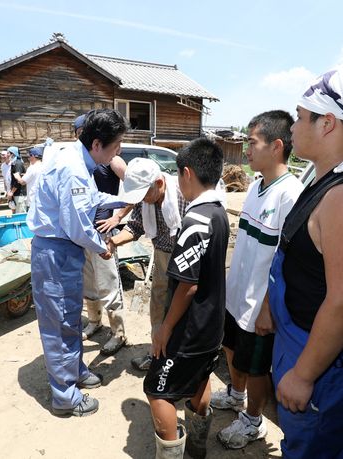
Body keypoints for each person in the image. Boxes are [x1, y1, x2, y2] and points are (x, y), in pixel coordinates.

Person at [27, 108, 129, 417]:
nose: (118, 153)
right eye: (116, 147)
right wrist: (103, 247)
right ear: (97, 144)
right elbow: (77, 225)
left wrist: (124, 199)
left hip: (64, 252)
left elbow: (90, 199)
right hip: (57, 252)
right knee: (59, 324)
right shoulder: (72, 167)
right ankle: (65, 396)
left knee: (70, 317)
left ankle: (74, 370)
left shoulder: (74, 156)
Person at [214, 110, 304, 449]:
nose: (246, 150)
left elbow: (288, 261)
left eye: (252, 143)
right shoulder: (255, 186)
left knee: (255, 366)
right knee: (231, 347)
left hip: (259, 303)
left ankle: (253, 421)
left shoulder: (290, 194)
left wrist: (268, 307)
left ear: (277, 146)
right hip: (237, 293)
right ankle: (236, 396)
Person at [268, 67, 343, 457]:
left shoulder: (340, 197)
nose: (293, 127)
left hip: (317, 360)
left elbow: (341, 300)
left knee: (313, 446)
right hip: (294, 337)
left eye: (300, 116)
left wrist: (304, 374)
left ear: (327, 123)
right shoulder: (320, 178)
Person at [142, 138, 229, 459]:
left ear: (187, 173)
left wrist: (165, 328)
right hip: (212, 325)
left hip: (189, 329)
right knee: (199, 379)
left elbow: (187, 286)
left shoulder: (195, 222)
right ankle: (196, 447)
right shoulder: (218, 212)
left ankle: (172, 452)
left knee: (156, 390)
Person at [108, 156, 188, 371]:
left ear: (159, 184)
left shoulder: (183, 195)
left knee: (184, 309)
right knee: (159, 305)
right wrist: (113, 242)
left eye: (143, 194)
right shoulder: (145, 200)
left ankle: (180, 361)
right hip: (162, 257)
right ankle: (157, 353)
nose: (142, 200)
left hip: (187, 259)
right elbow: (135, 226)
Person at [72, 114, 131, 355]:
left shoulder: (112, 161)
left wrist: (117, 217)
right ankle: (95, 321)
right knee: (88, 282)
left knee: (108, 283)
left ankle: (118, 332)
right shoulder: (80, 163)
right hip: (84, 231)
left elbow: (136, 190)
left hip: (103, 232)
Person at [7, 146, 27, 213]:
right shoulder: (14, 163)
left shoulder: (18, 163)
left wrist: (11, 192)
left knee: (20, 214)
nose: (7, 155)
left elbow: (18, 180)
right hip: (16, 193)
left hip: (20, 194)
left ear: (12, 154)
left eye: (8, 153)